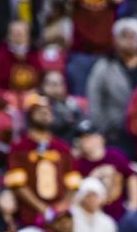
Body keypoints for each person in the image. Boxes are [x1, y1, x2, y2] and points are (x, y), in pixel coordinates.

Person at [5, 95, 81, 225]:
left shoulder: (63, 148)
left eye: (48, 110)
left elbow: (73, 183)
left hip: (61, 218)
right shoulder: (20, 147)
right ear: (30, 115)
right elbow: (17, 185)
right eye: (40, 110)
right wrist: (44, 209)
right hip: (29, 218)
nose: (45, 113)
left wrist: (61, 208)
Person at [87, 17, 137, 153]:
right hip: (115, 131)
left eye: (133, 36)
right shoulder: (104, 66)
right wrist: (101, 128)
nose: (129, 41)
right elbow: (94, 99)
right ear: (115, 39)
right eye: (124, 36)